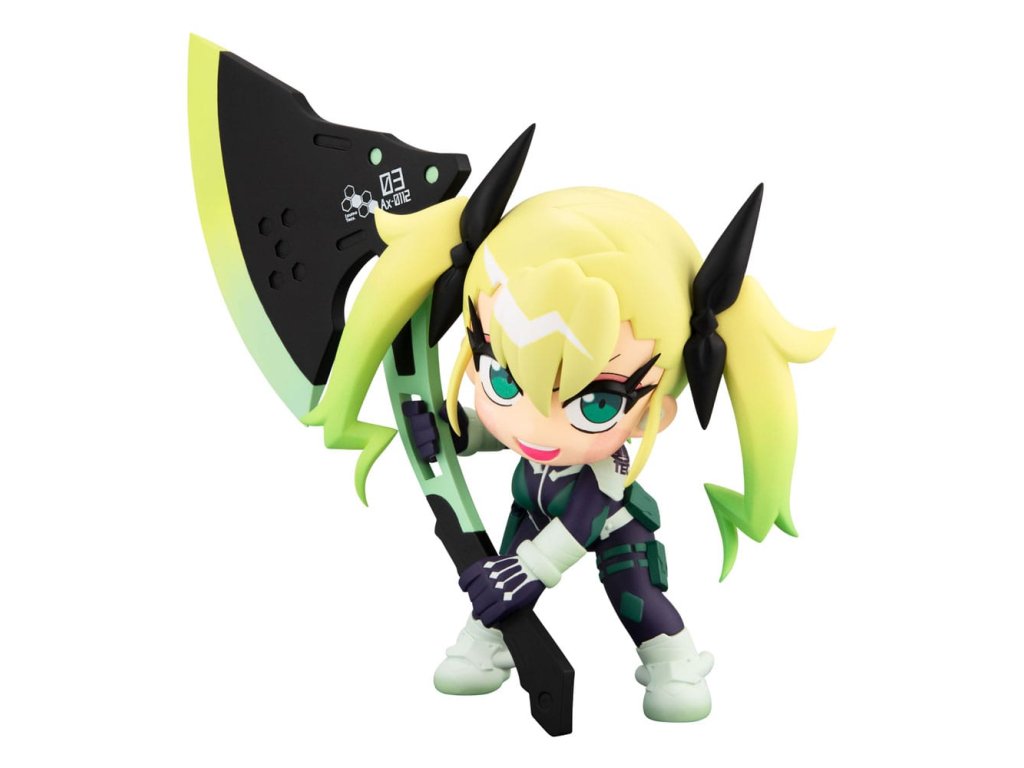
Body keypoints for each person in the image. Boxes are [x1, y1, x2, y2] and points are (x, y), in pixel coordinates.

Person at [304, 132, 831, 722]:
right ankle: (487, 643)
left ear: (653, 414)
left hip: (613, 526)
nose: (536, 421)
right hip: (531, 506)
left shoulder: (605, 471)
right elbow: (506, 437)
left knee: (635, 598)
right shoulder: (532, 435)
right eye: (503, 379)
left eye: (597, 404)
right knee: (498, 576)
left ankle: (675, 663)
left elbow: (582, 522)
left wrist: (529, 571)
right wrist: (458, 433)